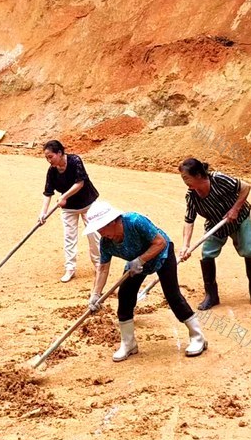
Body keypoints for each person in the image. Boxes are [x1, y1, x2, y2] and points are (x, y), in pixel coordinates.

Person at [84, 200, 207, 361]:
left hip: (161, 254)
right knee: (125, 295)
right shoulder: (106, 242)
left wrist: (140, 260)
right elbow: (103, 268)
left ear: (113, 221)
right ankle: (129, 344)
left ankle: (198, 337)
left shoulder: (135, 221)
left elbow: (160, 242)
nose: (101, 233)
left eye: (102, 228)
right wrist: (96, 294)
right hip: (135, 264)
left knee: (172, 295)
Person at [178, 158, 251, 310]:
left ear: (198, 175)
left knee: (249, 251)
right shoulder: (191, 195)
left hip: (240, 219)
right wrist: (185, 245)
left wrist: (235, 209)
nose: (185, 182)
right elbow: (189, 220)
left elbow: (245, 187)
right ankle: (211, 295)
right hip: (216, 224)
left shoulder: (218, 179)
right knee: (207, 255)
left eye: (186, 178)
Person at [38, 140, 101, 283]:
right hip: (68, 209)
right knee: (69, 238)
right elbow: (48, 192)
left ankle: (98, 265)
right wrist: (43, 212)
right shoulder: (52, 171)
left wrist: (64, 196)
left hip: (87, 204)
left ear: (60, 153)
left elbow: (80, 182)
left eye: (50, 156)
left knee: (93, 235)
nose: (49, 160)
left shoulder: (75, 161)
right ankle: (70, 268)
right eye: (46, 158)